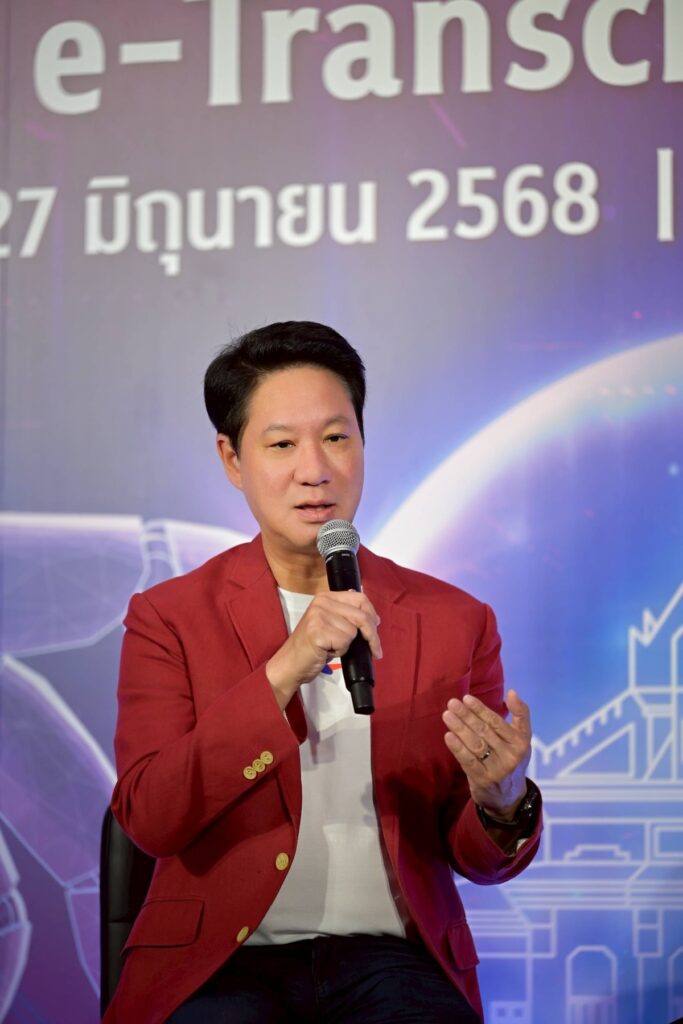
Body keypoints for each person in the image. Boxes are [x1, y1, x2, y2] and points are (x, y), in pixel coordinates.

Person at [105, 321, 542, 1024]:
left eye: (337, 437)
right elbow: (151, 818)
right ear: (232, 458)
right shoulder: (170, 616)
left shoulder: (456, 619)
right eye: (282, 444)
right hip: (220, 965)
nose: (316, 470)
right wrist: (283, 670)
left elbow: (474, 857)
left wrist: (501, 801)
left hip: (393, 962)